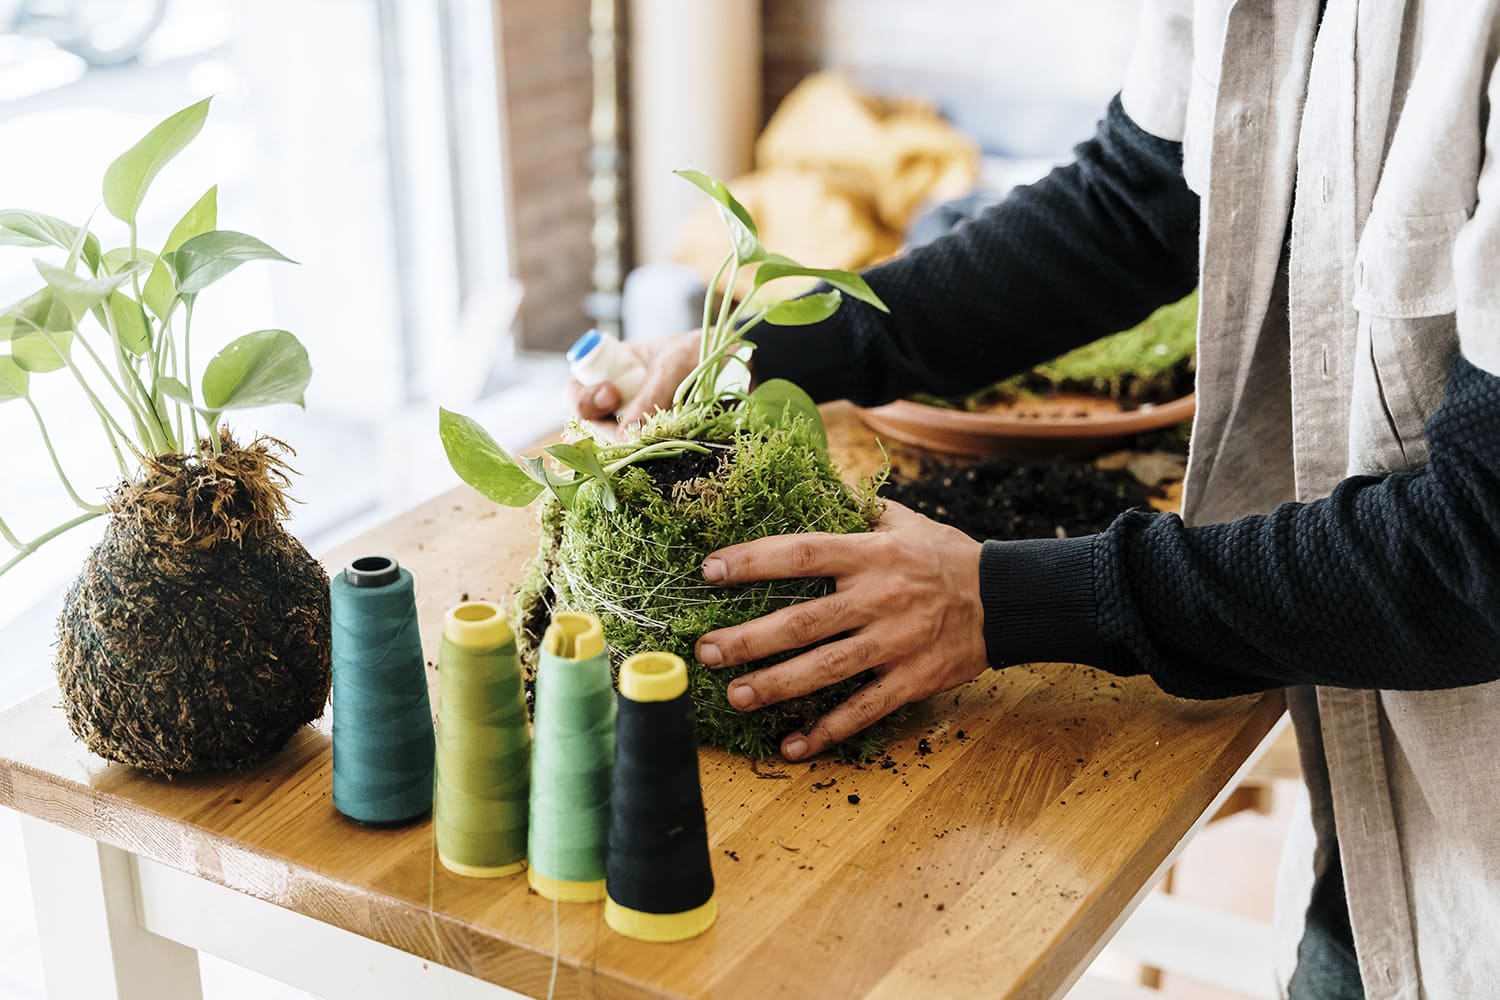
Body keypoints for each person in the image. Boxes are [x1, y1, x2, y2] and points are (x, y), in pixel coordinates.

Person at [572, 2, 1500, 996]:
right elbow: (1137, 202)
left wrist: (1001, 599)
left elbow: (1477, 551)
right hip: (1390, 831)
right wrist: (783, 346)